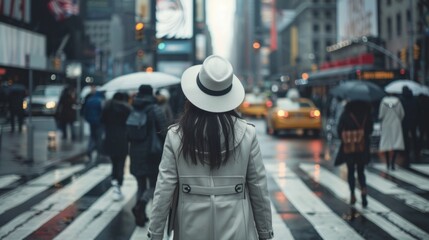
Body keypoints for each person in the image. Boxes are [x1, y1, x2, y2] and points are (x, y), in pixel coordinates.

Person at [148, 55, 274, 240]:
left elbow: (164, 189)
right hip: (236, 228)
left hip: (189, 227)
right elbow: (258, 188)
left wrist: (155, 234)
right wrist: (265, 233)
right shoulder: (248, 134)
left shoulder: (176, 135)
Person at [128, 84, 167, 227]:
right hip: (153, 153)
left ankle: (140, 215)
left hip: (135, 152)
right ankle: (141, 204)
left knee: (141, 185)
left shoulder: (133, 108)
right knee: (155, 184)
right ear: (151, 94)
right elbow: (164, 131)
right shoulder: (155, 109)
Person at [336, 100, 373, 208]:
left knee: (351, 171)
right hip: (362, 147)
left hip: (349, 147)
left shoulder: (346, 113)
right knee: (361, 171)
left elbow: (339, 129)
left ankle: (352, 194)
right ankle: (364, 190)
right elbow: (370, 130)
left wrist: (346, 137)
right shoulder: (366, 114)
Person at [101, 92, 131, 201]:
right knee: (121, 162)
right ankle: (119, 183)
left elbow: (102, 121)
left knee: (114, 162)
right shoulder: (126, 109)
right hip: (122, 138)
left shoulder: (107, 107)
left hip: (110, 137)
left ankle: (114, 180)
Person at [379, 94, 404, 170]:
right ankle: (393, 163)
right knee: (396, 143)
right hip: (396, 124)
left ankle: (387, 163)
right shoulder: (398, 102)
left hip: (386, 124)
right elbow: (402, 114)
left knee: (386, 143)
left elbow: (380, 115)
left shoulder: (383, 102)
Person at [82, 90, 105, 161]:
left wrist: (87, 119)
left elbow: (85, 111)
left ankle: (89, 149)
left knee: (92, 136)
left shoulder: (89, 100)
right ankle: (99, 152)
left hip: (91, 122)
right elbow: (103, 112)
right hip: (99, 122)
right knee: (99, 137)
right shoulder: (101, 101)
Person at [400, 86, 419, 165]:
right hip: (413, 121)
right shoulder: (414, 99)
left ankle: (406, 154)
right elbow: (418, 110)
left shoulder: (402, 100)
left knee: (405, 139)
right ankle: (416, 153)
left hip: (405, 121)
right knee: (414, 137)